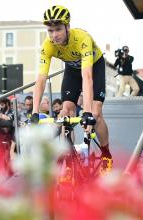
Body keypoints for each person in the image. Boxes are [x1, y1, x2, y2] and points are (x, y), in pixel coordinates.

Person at [31, 5, 112, 173]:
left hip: (93, 67)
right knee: (65, 111)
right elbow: (40, 80)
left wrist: (88, 111)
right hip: (72, 71)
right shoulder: (48, 45)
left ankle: (106, 153)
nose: (54, 35)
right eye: (50, 31)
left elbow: (87, 77)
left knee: (96, 113)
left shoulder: (82, 38)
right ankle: (69, 157)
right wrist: (34, 112)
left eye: (58, 29)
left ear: (68, 26)